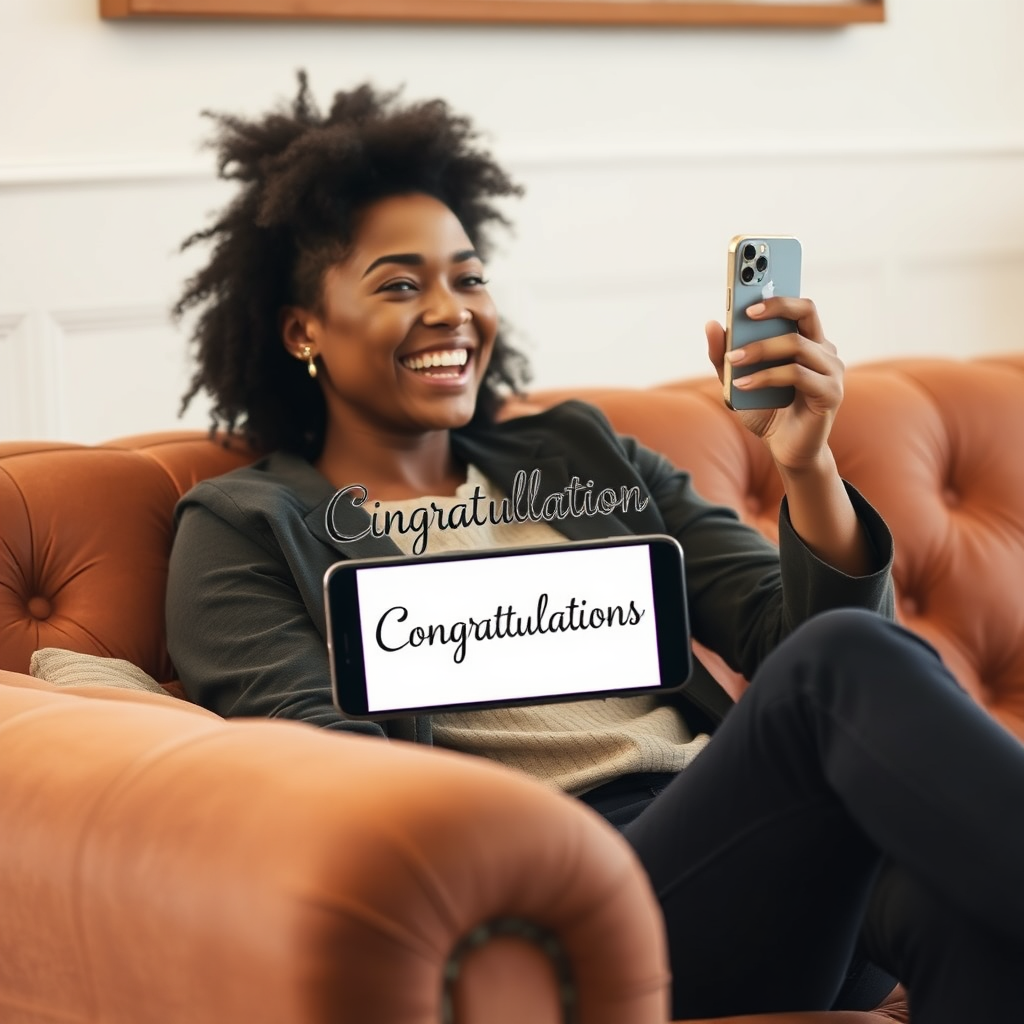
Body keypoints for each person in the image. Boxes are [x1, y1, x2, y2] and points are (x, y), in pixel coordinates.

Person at [166, 74, 1024, 1023]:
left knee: (969, 910)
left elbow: (791, 635)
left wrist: (807, 465)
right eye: (401, 284)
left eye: (469, 277)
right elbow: (335, 780)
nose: (451, 310)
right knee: (841, 663)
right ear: (303, 330)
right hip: (579, 900)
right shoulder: (247, 524)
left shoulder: (578, 453)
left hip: (749, 829)